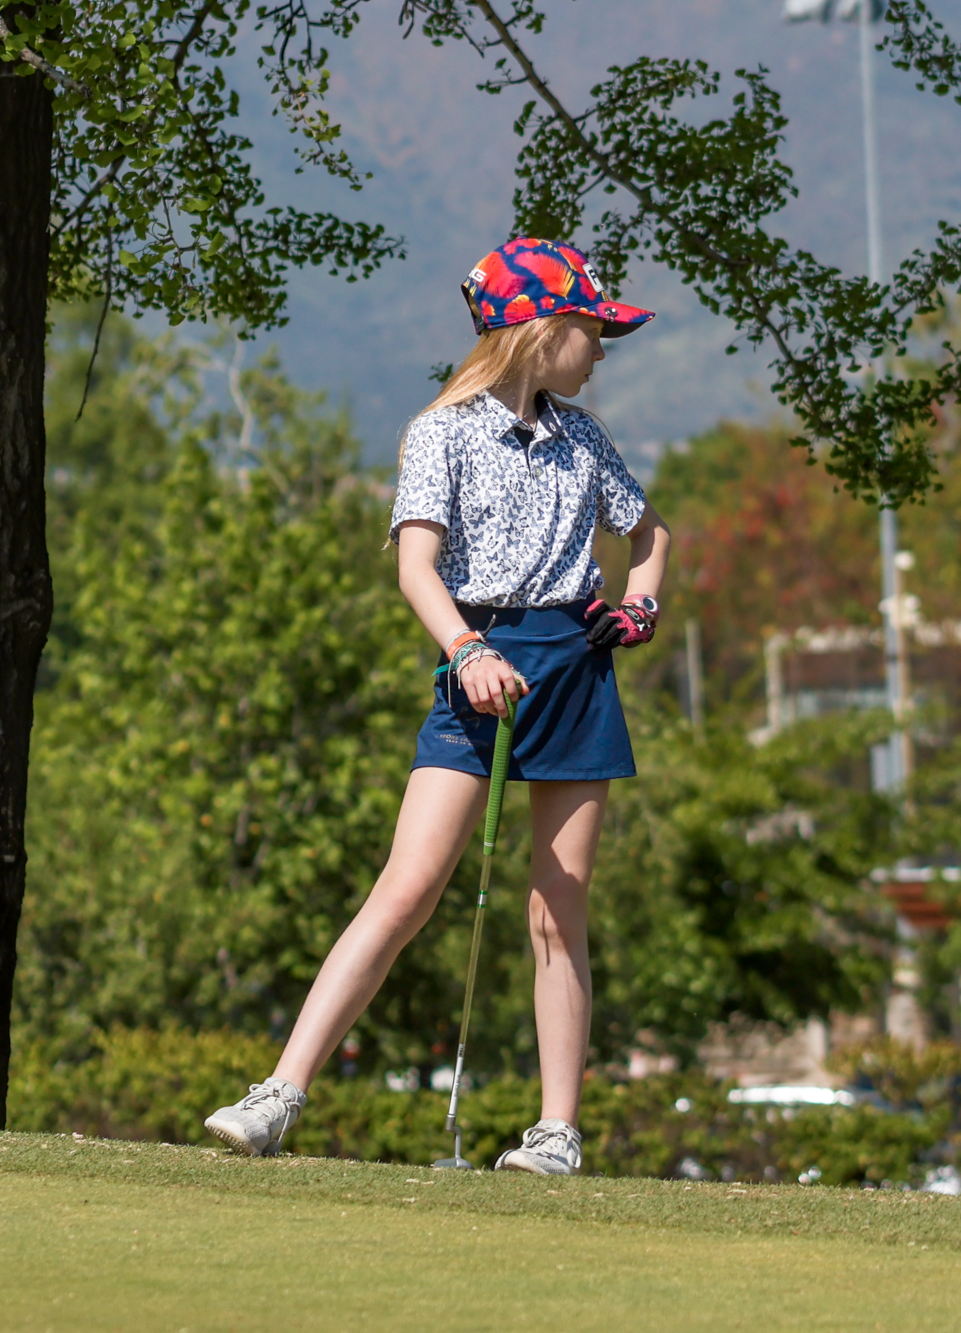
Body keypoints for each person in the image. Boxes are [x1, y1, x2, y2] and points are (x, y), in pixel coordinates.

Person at [205, 237, 671, 1175]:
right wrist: (466, 649)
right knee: (408, 885)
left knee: (558, 906)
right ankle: (279, 1094)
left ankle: (556, 1132)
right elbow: (418, 568)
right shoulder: (441, 431)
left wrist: (641, 603)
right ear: (539, 332)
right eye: (591, 329)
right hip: (477, 663)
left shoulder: (585, 437)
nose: (600, 348)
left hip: (574, 666)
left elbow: (650, 531)